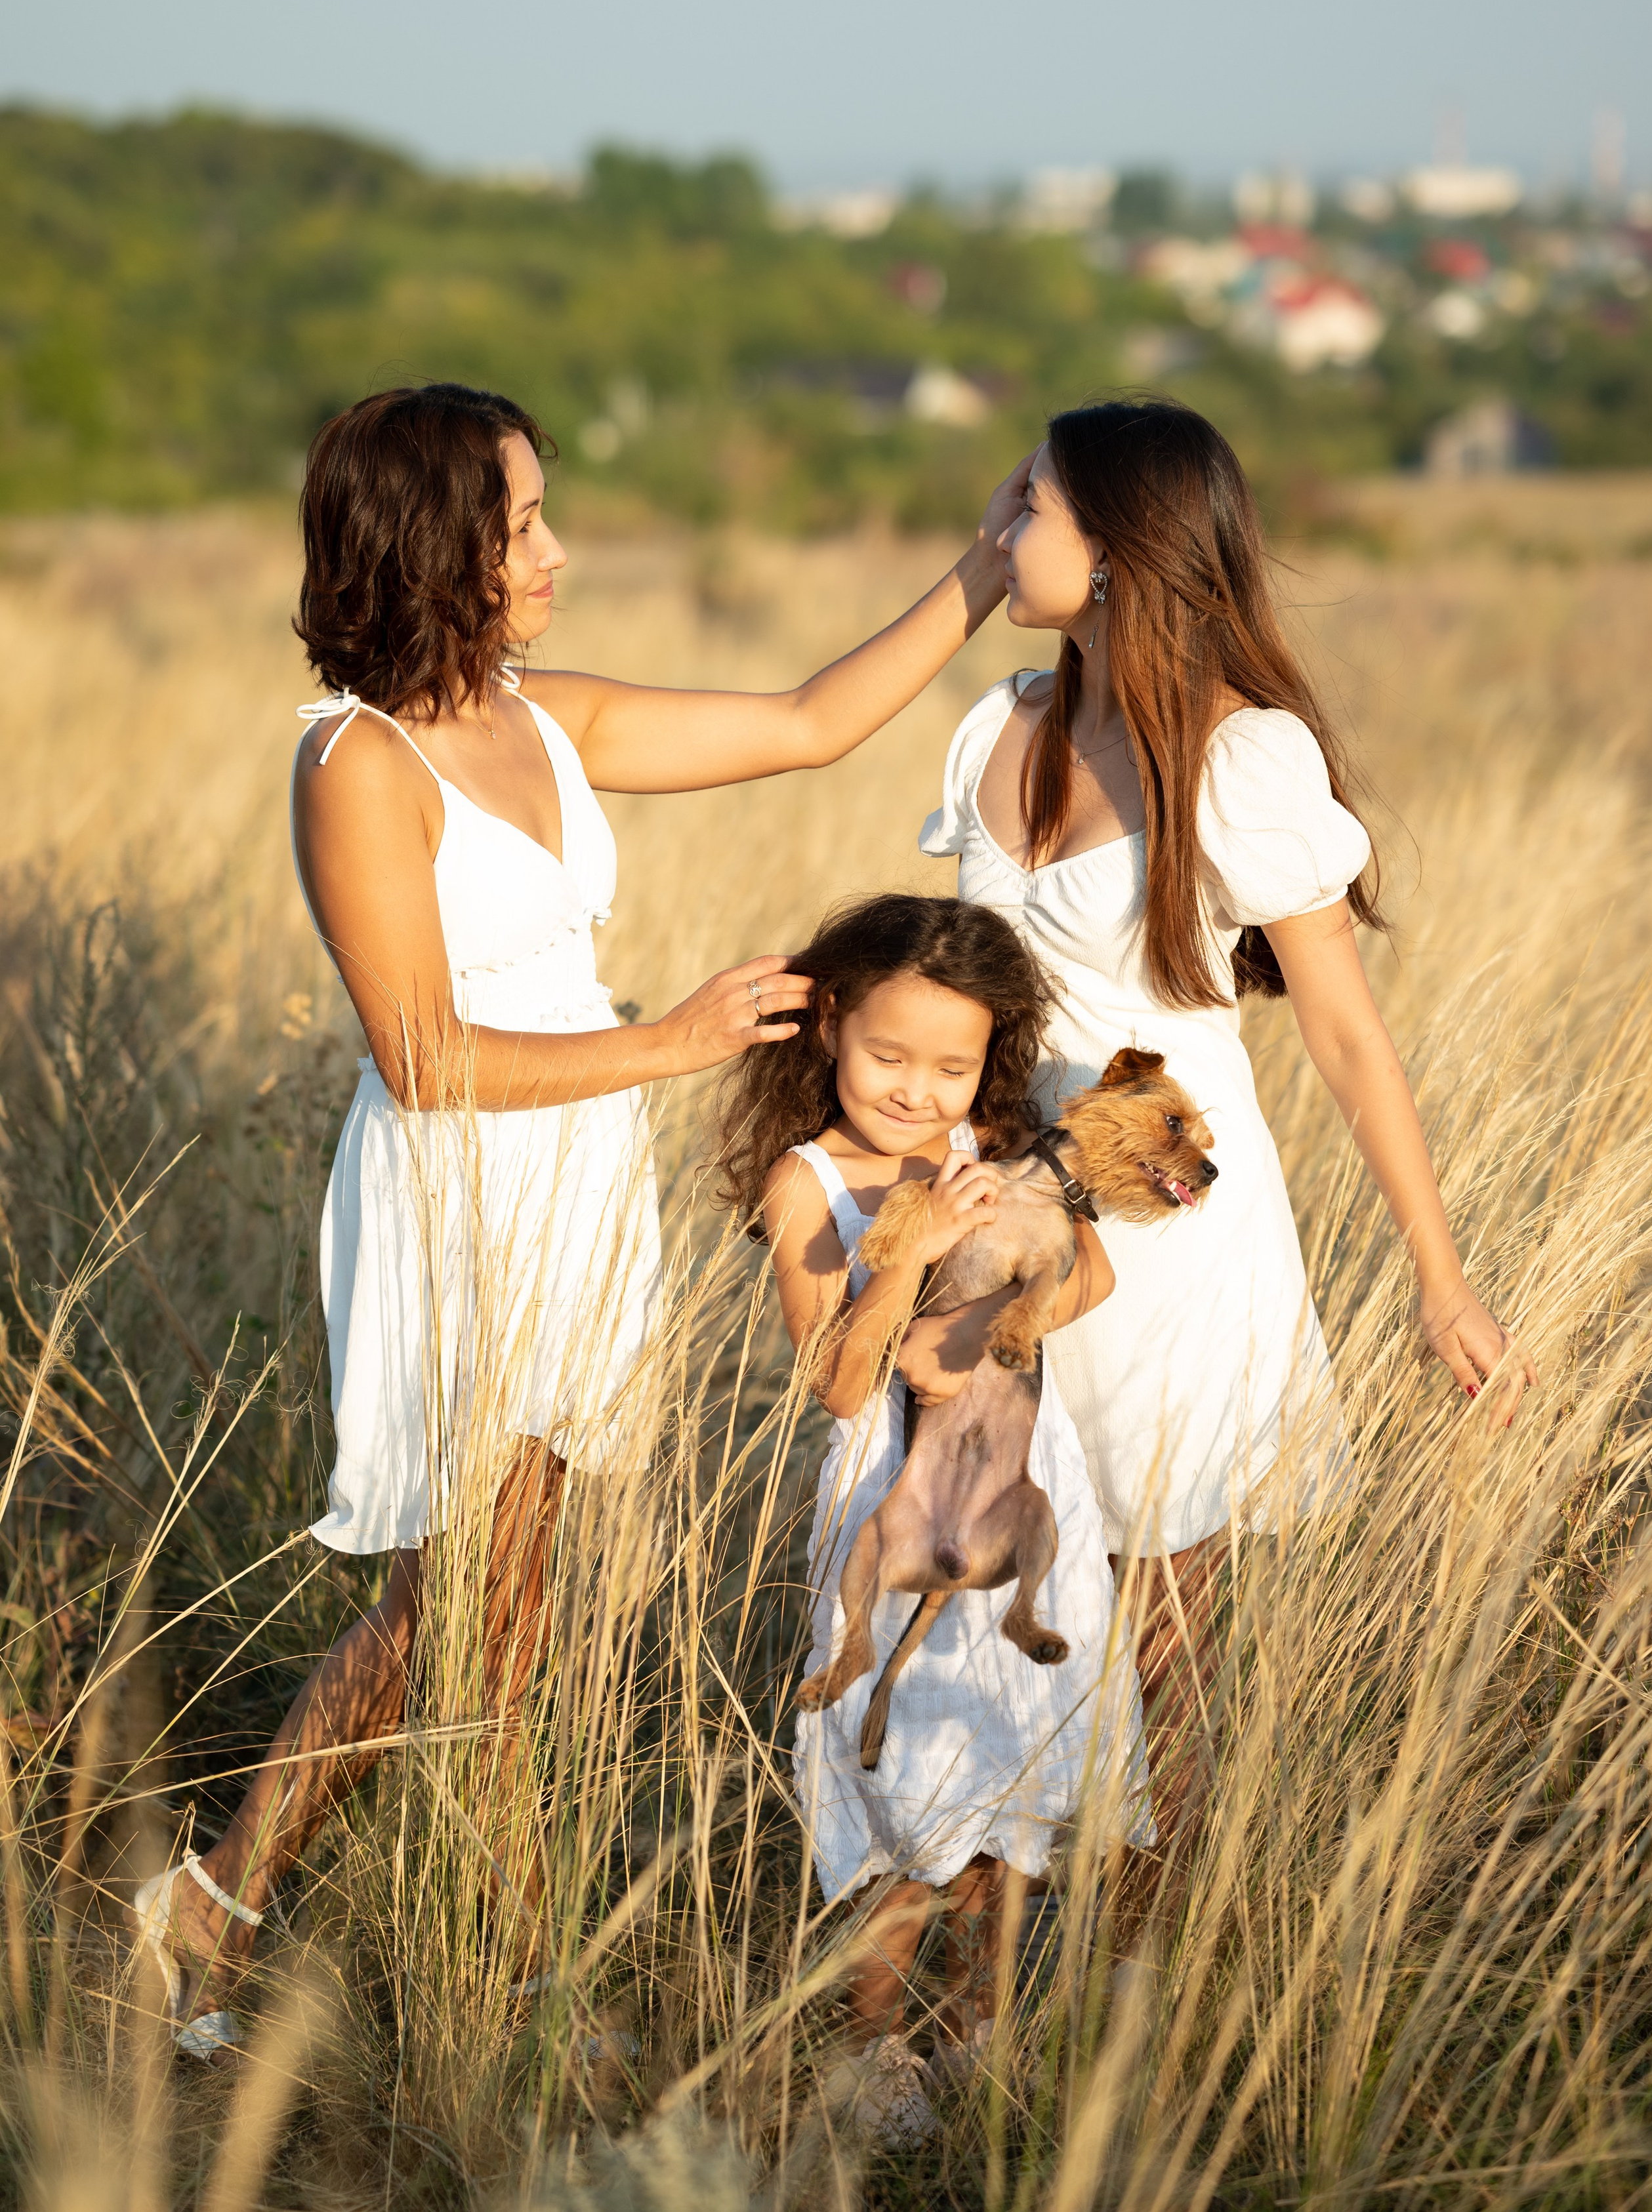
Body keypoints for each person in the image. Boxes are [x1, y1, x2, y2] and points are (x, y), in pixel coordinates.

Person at [133, 382, 1014, 2062]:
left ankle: (506, 1958)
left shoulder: (547, 718)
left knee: (517, 1608)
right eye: (522, 523)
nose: (555, 552)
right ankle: (221, 1899)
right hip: (457, 1189)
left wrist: (984, 563)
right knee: (455, 1597)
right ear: (436, 544)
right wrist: (674, 1042)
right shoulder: (356, 761)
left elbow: (811, 717)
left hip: (576, 1181)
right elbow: (419, 1050)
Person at [918, 398, 1538, 1853]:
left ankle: (1141, 1976)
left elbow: (1341, 1033)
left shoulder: (1241, 756)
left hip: (1173, 1219)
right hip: (1000, 1207)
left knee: (1159, 1613)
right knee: (986, 1589)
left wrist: (1438, 1278)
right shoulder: (994, 729)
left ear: (1122, 552)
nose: (1001, 531)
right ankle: (977, 1971)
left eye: (1033, 508)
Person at [714, 893, 1151, 2147]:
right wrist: (915, 1263)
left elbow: (1094, 1274)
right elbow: (843, 1381)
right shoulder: (812, 1182)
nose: (916, 1092)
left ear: (989, 1062)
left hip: (1021, 1485)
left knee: (1013, 1759)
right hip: (887, 1513)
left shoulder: (1002, 1145)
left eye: (951, 1067)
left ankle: (980, 2024)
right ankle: (874, 2043)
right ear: (832, 1026)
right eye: (888, 1058)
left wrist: (965, 1336)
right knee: (895, 1776)